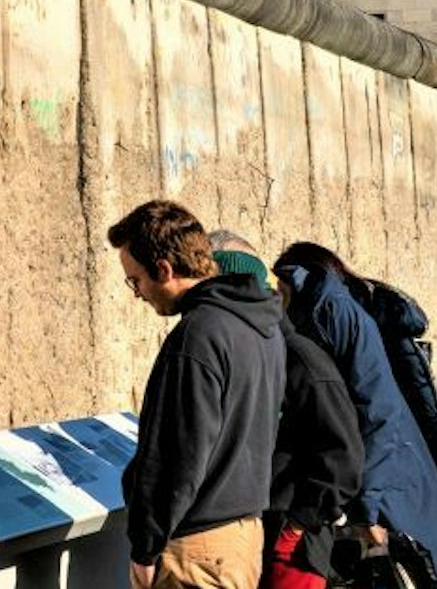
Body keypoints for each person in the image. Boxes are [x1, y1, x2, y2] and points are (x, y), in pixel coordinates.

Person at [271, 242, 437, 589]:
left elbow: (378, 412)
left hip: (386, 481)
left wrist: (368, 507)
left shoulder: (331, 311)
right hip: (386, 474)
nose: (278, 297)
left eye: (280, 288)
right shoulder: (337, 308)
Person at [110, 202, 286, 589]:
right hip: (241, 538)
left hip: (195, 546)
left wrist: (145, 547)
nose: (138, 294)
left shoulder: (198, 334)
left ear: (164, 269)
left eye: (135, 280)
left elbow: (176, 455)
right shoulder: (261, 326)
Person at [211, 231, 362, 589]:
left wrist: (297, 524)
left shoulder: (300, 359)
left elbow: (344, 455)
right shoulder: (257, 352)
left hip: (293, 544)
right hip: (259, 531)